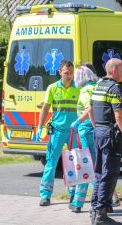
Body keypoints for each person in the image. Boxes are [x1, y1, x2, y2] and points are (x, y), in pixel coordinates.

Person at [88, 58, 122, 225]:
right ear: (114, 70)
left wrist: (97, 129)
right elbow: (119, 116)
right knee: (110, 174)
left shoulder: (98, 86)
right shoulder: (115, 89)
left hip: (99, 132)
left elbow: (90, 110)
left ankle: (95, 211)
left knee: (99, 172)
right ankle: (101, 215)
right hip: (110, 135)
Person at [37, 60, 80, 207]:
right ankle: (45, 195)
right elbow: (45, 108)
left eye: (71, 73)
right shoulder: (53, 88)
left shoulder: (78, 88)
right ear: (60, 72)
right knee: (51, 162)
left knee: (74, 163)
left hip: (74, 131)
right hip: (57, 130)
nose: (69, 76)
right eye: (66, 73)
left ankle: (73, 194)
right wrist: (40, 126)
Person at [68, 65, 99, 213]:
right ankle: (104, 200)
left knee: (87, 165)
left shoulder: (86, 90)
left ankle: (78, 202)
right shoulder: (97, 86)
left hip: (87, 130)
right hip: (96, 129)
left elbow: (89, 109)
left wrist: (79, 121)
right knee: (95, 165)